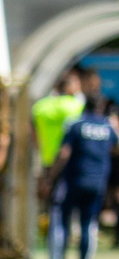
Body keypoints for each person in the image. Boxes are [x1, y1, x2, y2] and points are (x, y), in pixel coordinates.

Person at [45, 91, 114, 259]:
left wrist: (51, 176)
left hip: (73, 180)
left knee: (61, 219)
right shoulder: (108, 127)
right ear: (100, 107)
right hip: (97, 182)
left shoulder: (76, 125)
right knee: (88, 223)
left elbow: (64, 153)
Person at [32, 68, 87, 235]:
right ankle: (65, 235)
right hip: (70, 163)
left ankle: (48, 234)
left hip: (47, 159)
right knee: (69, 204)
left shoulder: (40, 107)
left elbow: (32, 133)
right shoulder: (75, 106)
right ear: (69, 87)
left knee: (50, 202)